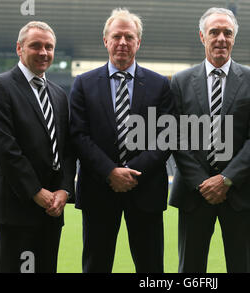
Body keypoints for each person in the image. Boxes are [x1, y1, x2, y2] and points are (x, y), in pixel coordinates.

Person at [69, 8, 173, 273]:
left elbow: (165, 137)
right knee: (96, 265)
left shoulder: (160, 84)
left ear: (139, 42)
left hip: (146, 189)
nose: (123, 42)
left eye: (129, 36)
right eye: (117, 36)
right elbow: (79, 135)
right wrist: (110, 171)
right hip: (98, 190)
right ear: (105, 40)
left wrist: (133, 173)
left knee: (151, 268)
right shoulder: (83, 84)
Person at [169, 7, 250, 273]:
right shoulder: (179, 82)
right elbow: (176, 137)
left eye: (228, 32)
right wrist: (202, 182)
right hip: (194, 192)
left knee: (243, 266)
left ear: (234, 38)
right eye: (214, 32)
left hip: (239, 190)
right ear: (202, 36)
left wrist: (225, 179)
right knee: (190, 268)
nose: (221, 38)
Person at [0, 21, 76, 273]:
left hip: (52, 209)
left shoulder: (58, 95)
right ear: (19, 48)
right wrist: (35, 191)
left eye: (49, 47)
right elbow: (4, 147)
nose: (43, 52)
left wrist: (64, 190)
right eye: (36, 46)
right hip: (17, 208)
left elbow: (67, 149)